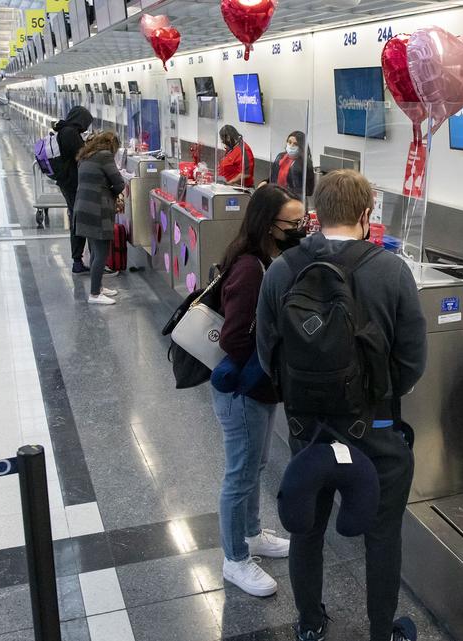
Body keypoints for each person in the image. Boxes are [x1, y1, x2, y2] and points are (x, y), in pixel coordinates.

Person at [256, 170, 427, 641]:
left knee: (307, 527)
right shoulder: (392, 271)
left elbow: (266, 349)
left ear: (316, 215)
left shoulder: (282, 269)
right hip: (374, 430)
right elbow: (412, 361)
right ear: (366, 216)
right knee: (382, 532)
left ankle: (310, 624)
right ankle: (379, 632)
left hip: (306, 429)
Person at [210, 184, 307, 597]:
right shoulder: (251, 268)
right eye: (294, 223)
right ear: (270, 225)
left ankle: (251, 533)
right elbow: (234, 338)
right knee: (240, 474)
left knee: (257, 465)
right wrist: (273, 343)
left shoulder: (267, 258)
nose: (300, 229)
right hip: (242, 389)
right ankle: (235, 559)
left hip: (259, 388)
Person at [72, 132, 126, 305]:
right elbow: (118, 183)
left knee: (95, 250)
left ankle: (99, 287)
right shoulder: (105, 156)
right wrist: (112, 197)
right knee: (101, 252)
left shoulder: (86, 155)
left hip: (83, 208)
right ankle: (95, 294)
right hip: (97, 210)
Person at [51, 106, 95, 273]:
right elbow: (82, 155)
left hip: (67, 182)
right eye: (86, 122)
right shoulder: (70, 133)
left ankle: (80, 259)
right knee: (79, 220)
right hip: (72, 183)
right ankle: (78, 260)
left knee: (76, 218)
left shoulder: (64, 129)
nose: (85, 127)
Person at [263, 131, 316, 197]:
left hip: (294, 200)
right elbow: (273, 177)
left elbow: (309, 191)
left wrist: (288, 191)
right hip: (276, 195)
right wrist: (265, 182)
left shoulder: (306, 163)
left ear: (302, 146)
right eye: (289, 142)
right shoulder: (280, 157)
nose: (291, 146)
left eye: (295, 144)